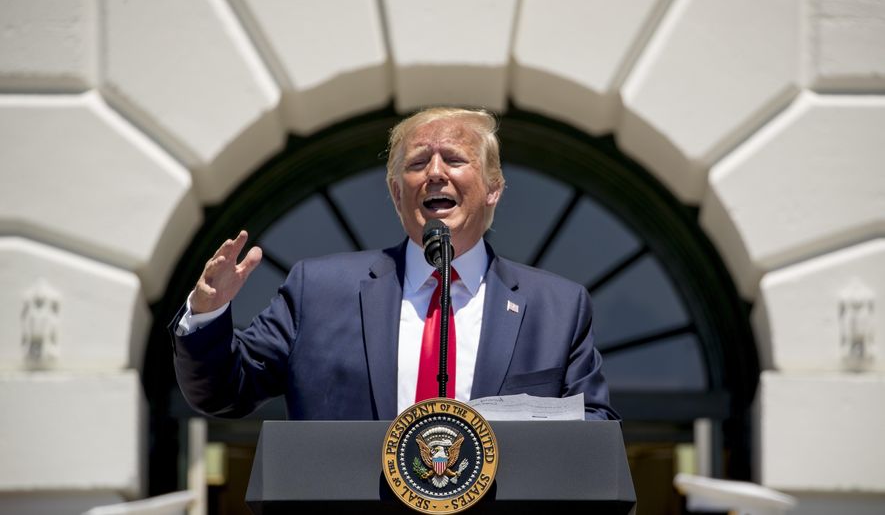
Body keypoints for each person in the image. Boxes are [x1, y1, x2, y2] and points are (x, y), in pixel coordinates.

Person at [170, 107, 618, 421]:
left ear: (494, 188)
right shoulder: (319, 291)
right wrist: (208, 312)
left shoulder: (557, 307)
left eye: (455, 160)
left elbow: (593, 432)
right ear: (395, 192)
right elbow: (224, 394)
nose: (435, 173)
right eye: (418, 162)